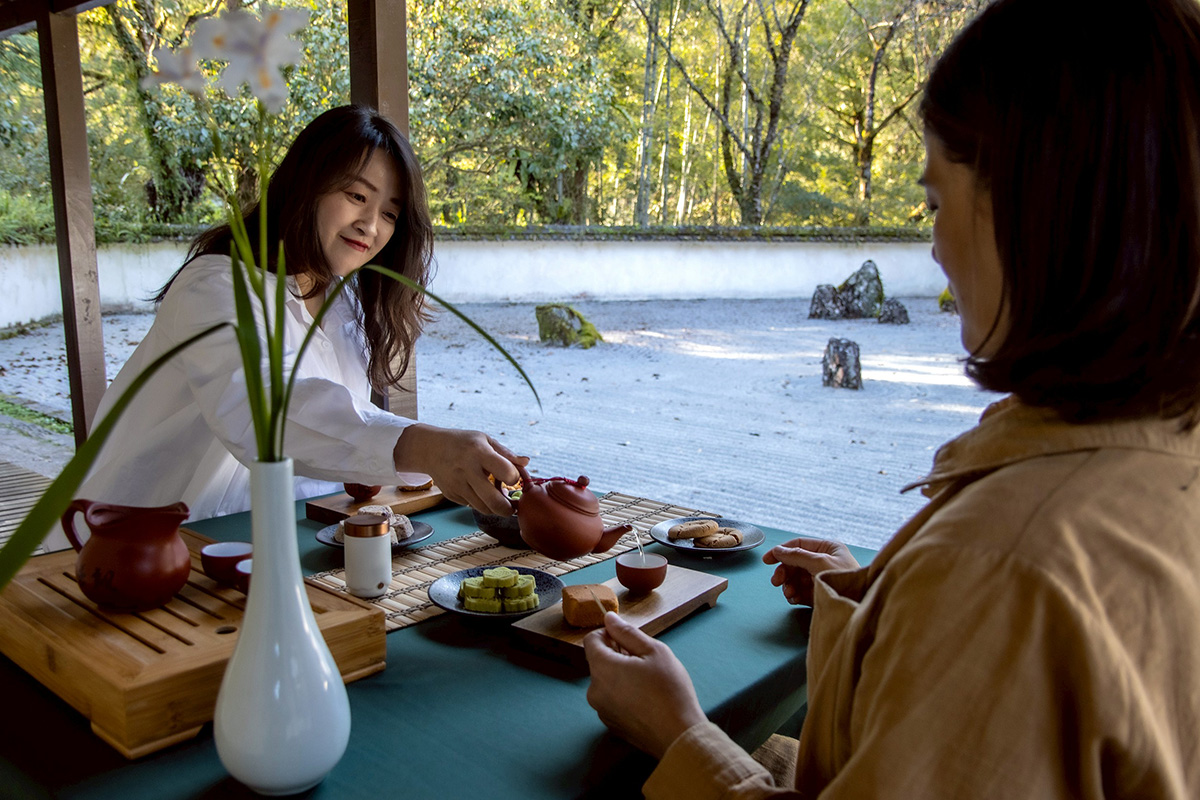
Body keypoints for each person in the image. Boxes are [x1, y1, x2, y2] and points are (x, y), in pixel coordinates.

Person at [583, 0, 1200, 797]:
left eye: (938, 204)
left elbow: (993, 634)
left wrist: (682, 737)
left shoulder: (1003, 566)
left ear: (1037, 211)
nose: (937, 248)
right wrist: (880, 602)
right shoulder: (1160, 450)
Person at [48, 105, 523, 548]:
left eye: (390, 214)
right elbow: (267, 412)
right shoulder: (216, 286)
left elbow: (328, 432)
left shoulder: (343, 306)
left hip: (266, 546)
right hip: (142, 550)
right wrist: (426, 446)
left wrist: (429, 464)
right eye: (356, 195)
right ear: (305, 185)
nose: (370, 225)